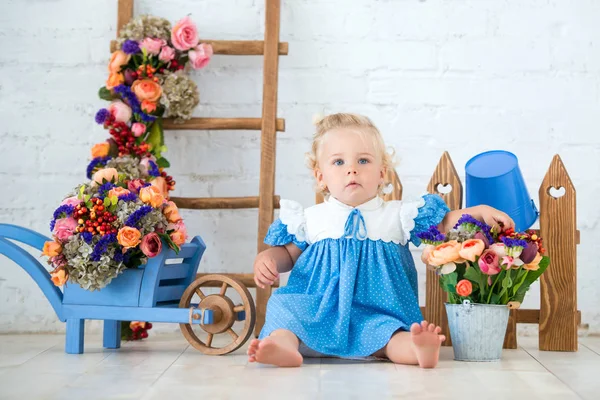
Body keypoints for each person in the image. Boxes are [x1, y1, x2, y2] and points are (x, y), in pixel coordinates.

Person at [247, 113, 514, 368]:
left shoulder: (398, 215)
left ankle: (417, 349)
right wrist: (268, 258)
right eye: (339, 163)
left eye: (363, 161)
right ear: (321, 177)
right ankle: (282, 346)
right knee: (284, 308)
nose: (352, 170)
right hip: (317, 309)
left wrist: (477, 212)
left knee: (390, 335)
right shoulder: (311, 218)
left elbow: (444, 224)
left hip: (376, 312)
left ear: (382, 173)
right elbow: (289, 254)